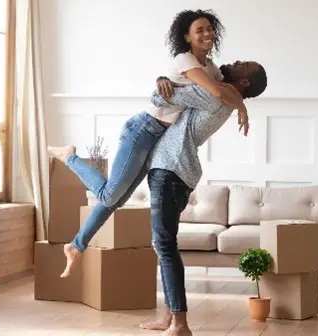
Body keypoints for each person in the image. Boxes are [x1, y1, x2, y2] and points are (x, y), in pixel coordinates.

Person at [47, 9, 248, 278]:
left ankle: (75, 245)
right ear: (187, 37)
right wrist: (241, 108)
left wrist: (240, 105)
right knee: (109, 195)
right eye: (199, 30)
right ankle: (69, 156)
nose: (207, 33)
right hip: (143, 129)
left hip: (159, 139)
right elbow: (215, 94)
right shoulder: (184, 59)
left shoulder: (211, 68)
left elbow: (225, 92)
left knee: (115, 201)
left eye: (210, 28)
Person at [138, 61, 267, 336]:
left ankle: (180, 324)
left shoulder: (216, 94)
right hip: (174, 172)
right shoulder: (224, 96)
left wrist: (164, 80)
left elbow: (161, 96)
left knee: (165, 245)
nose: (234, 61)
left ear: (244, 82)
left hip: (171, 170)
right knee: (164, 245)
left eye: (242, 64)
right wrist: (164, 77)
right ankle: (168, 317)